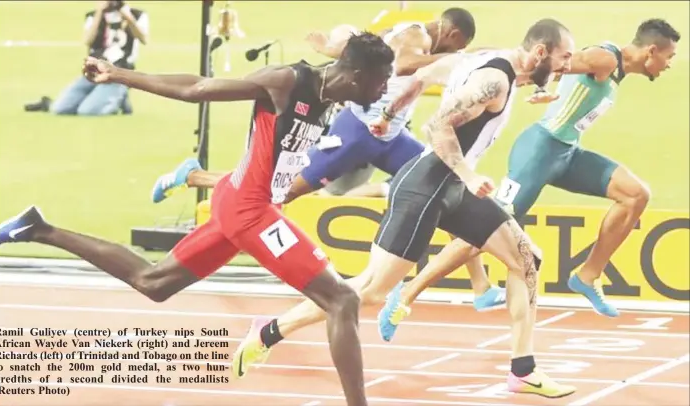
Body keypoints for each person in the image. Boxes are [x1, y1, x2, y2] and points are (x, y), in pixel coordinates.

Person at [0, 32, 395, 406]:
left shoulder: (337, 90)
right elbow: (197, 89)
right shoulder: (287, 81)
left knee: (154, 283)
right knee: (342, 299)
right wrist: (118, 75)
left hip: (241, 204)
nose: (383, 91)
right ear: (357, 76)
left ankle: (38, 228)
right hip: (249, 211)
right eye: (381, 83)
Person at [232, 18, 578, 398]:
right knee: (368, 291)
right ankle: (268, 331)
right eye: (564, 59)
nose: (567, 67)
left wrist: (389, 113)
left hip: (453, 187)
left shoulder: (494, 63)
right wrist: (467, 172)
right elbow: (438, 126)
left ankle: (523, 369)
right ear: (540, 52)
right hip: (426, 185)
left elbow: (424, 75)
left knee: (526, 259)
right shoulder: (492, 80)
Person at [152, 9, 508, 311]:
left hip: (388, 136)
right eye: (458, 47)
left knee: (441, 184)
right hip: (355, 131)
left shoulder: (411, 36)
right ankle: (195, 176)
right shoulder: (415, 36)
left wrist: (332, 46)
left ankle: (481, 286)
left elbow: (361, 47)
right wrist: (462, 59)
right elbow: (405, 65)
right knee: (286, 190)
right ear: (452, 33)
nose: (457, 54)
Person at [380, 18, 681, 326]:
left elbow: (561, 72)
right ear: (652, 51)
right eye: (669, 56)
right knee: (485, 231)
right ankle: (406, 293)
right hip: (539, 151)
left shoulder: (617, 69)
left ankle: (588, 276)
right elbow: (558, 64)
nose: (669, 64)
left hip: (567, 153)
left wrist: (546, 90)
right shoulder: (606, 58)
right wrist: (542, 84)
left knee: (635, 194)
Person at [24, 1, 148, 116]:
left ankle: (120, 99)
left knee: (87, 111)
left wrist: (127, 17)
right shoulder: (92, 16)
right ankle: (102, 97)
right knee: (60, 109)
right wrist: (99, 13)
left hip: (119, 74)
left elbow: (143, 38)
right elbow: (88, 40)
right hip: (94, 72)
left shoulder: (137, 15)